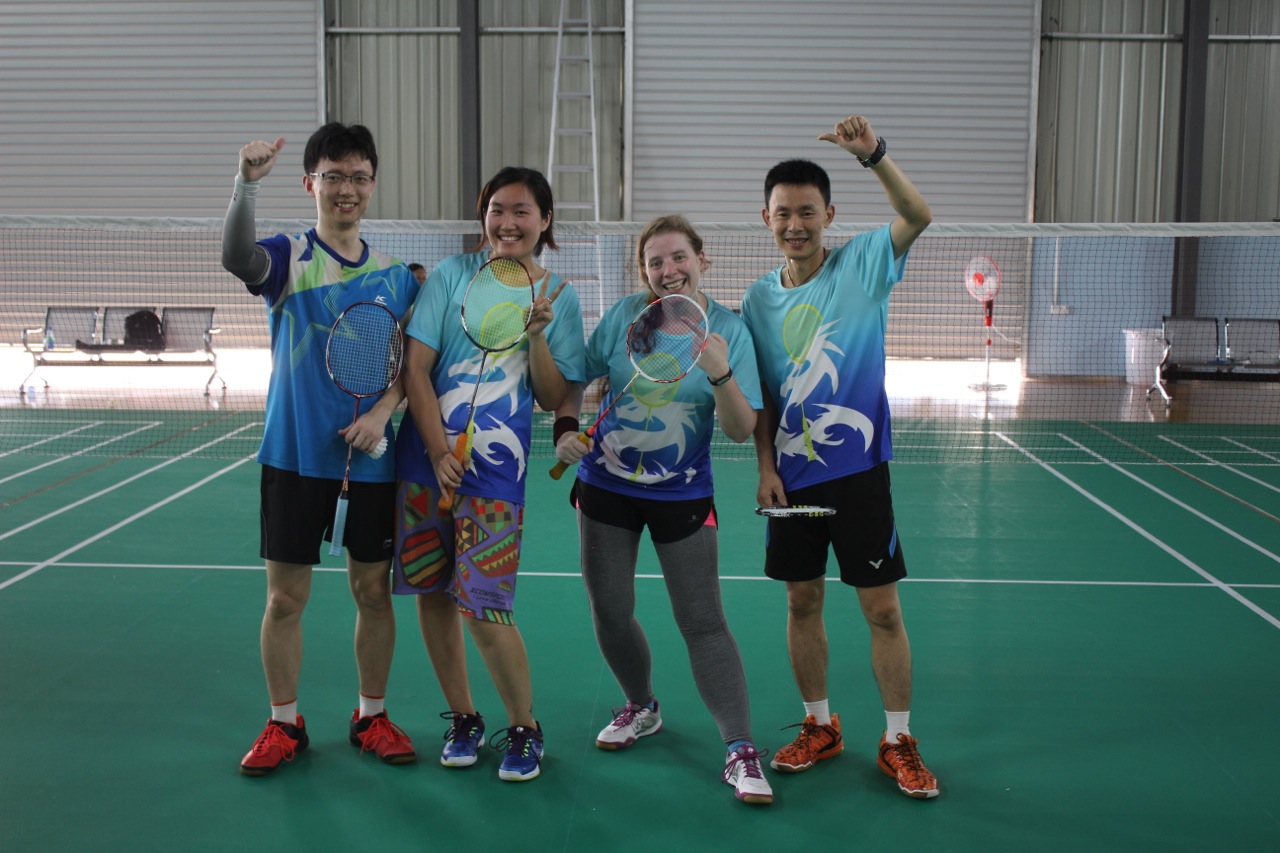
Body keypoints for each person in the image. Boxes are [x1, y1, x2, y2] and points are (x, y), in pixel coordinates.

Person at [740, 114, 939, 799]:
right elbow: (763, 396)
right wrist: (765, 468)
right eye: (782, 212)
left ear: (829, 214)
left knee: (882, 610)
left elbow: (917, 213)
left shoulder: (862, 264)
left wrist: (875, 154)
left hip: (860, 475)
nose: (795, 223)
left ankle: (898, 738)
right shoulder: (757, 300)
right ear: (764, 217)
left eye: (806, 212)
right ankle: (820, 724)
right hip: (791, 479)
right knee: (802, 600)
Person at [221, 124, 421, 775]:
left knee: (372, 590)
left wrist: (386, 414)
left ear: (371, 184)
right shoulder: (286, 256)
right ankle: (283, 721)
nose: (347, 188)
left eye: (359, 175)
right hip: (294, 455)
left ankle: (372, 714)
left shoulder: (396, 277)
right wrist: (244, 185)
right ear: (311, 183)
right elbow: (235, 257)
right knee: (284, 598)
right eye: (333, 175)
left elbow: (411, 369)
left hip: (372, 462)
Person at [553, 215, 773, 805]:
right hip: (605, 489)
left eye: (678, 258)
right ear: (643, 270)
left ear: (703, 259)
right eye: (655, 262)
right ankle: (640, 706)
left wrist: (721, 374)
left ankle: (739, 749)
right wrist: (567, 427)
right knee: (610, 609)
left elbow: (738, 428)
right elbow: (577, 378)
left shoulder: (728, 330)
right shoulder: (628, 317)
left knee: (702, 621)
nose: (667, 270)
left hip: (682, 495)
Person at [392, 166, 584, 782]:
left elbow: (557, 397)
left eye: (522, 211)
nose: (508, 222)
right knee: (431, 594)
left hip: (497, 476)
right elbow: (417, 369)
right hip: (425, 465)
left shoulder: (559, 294)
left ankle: (524, 726)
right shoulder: (450, 276)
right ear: (483, 216)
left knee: (485, 607)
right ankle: (463, 716)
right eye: (497, 209)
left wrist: (537, 339)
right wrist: (438, 450)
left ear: (545, 220)